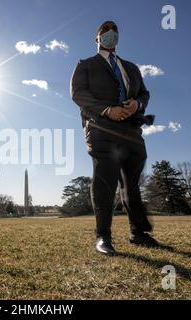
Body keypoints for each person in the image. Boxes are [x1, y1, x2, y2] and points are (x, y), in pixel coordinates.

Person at [70, 21, 171, 256]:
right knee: (105, 181)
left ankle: (138, 233)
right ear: (97, 39)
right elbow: (78, 94)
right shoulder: (86, 65)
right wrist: (107, 110)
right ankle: (103, 237)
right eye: (105, 31)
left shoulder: (131, 67)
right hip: (102, 129)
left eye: (114, 31)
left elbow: (144, 93)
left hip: (132, 131)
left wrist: (137, 104)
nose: (111, 34)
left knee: (132, 184)